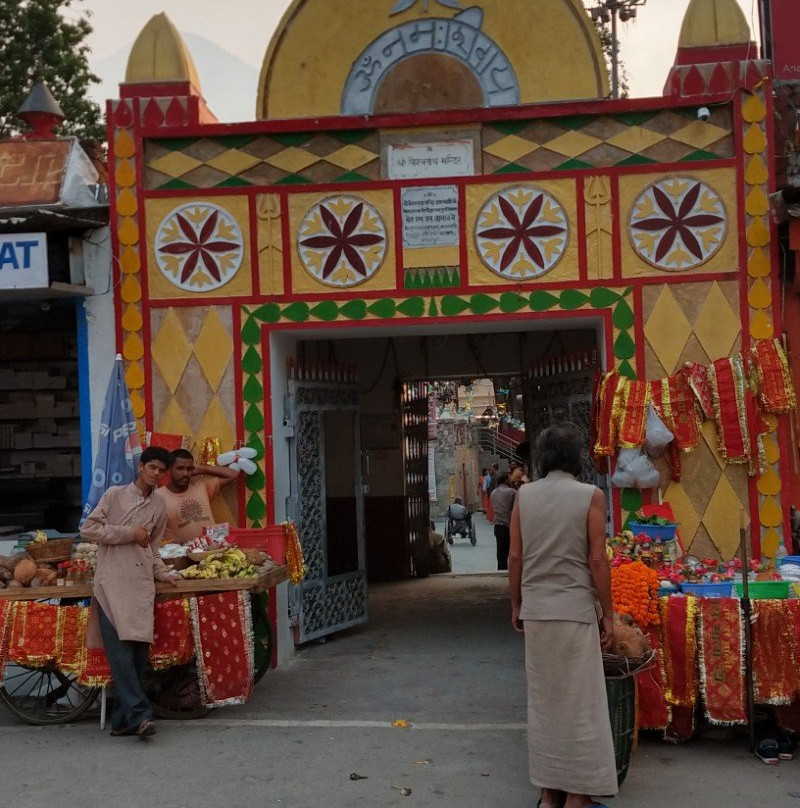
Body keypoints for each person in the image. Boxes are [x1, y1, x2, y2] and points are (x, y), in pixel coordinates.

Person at [508, 423, 616, 808]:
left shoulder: (525, 495)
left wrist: (517, 603)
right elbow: (597, 560)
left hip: (538, 612)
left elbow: (516, 557)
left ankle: (548, 794)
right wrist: (609, 614)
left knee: (545, 705)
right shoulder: (590, 495)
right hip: (575, 613)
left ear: (543, 458)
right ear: (576, 458)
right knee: (582, 708)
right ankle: (577, 795)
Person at [80, 445, 180, 740]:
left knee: (137, 656)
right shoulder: (114, 495)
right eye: (153, 469)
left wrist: (163, 573)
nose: (157, 475)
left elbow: (154, 548)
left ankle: (122, 722)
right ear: (141, 466)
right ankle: (140, 716)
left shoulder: (159, 506)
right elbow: (88, 529)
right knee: (121, 657)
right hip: (112, 585)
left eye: (162, 471)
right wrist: (129, 533)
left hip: (139, 586)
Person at [156, 448, 239, 544]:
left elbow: (233, 474)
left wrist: (201, 469)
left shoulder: (202, 487)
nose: (185, 473)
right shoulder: (158, 497)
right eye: (180, 468)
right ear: (169, 469)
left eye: (189, 469)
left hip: (212, 550)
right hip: (180, 555)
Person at [489, 471, 516, 570]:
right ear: (506, 480)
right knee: (513, 551)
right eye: (509, 478)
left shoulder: (493, 493)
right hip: (509, 526)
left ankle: (501, 571)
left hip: (498, 526)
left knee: (501, 552)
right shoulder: (512, 492)